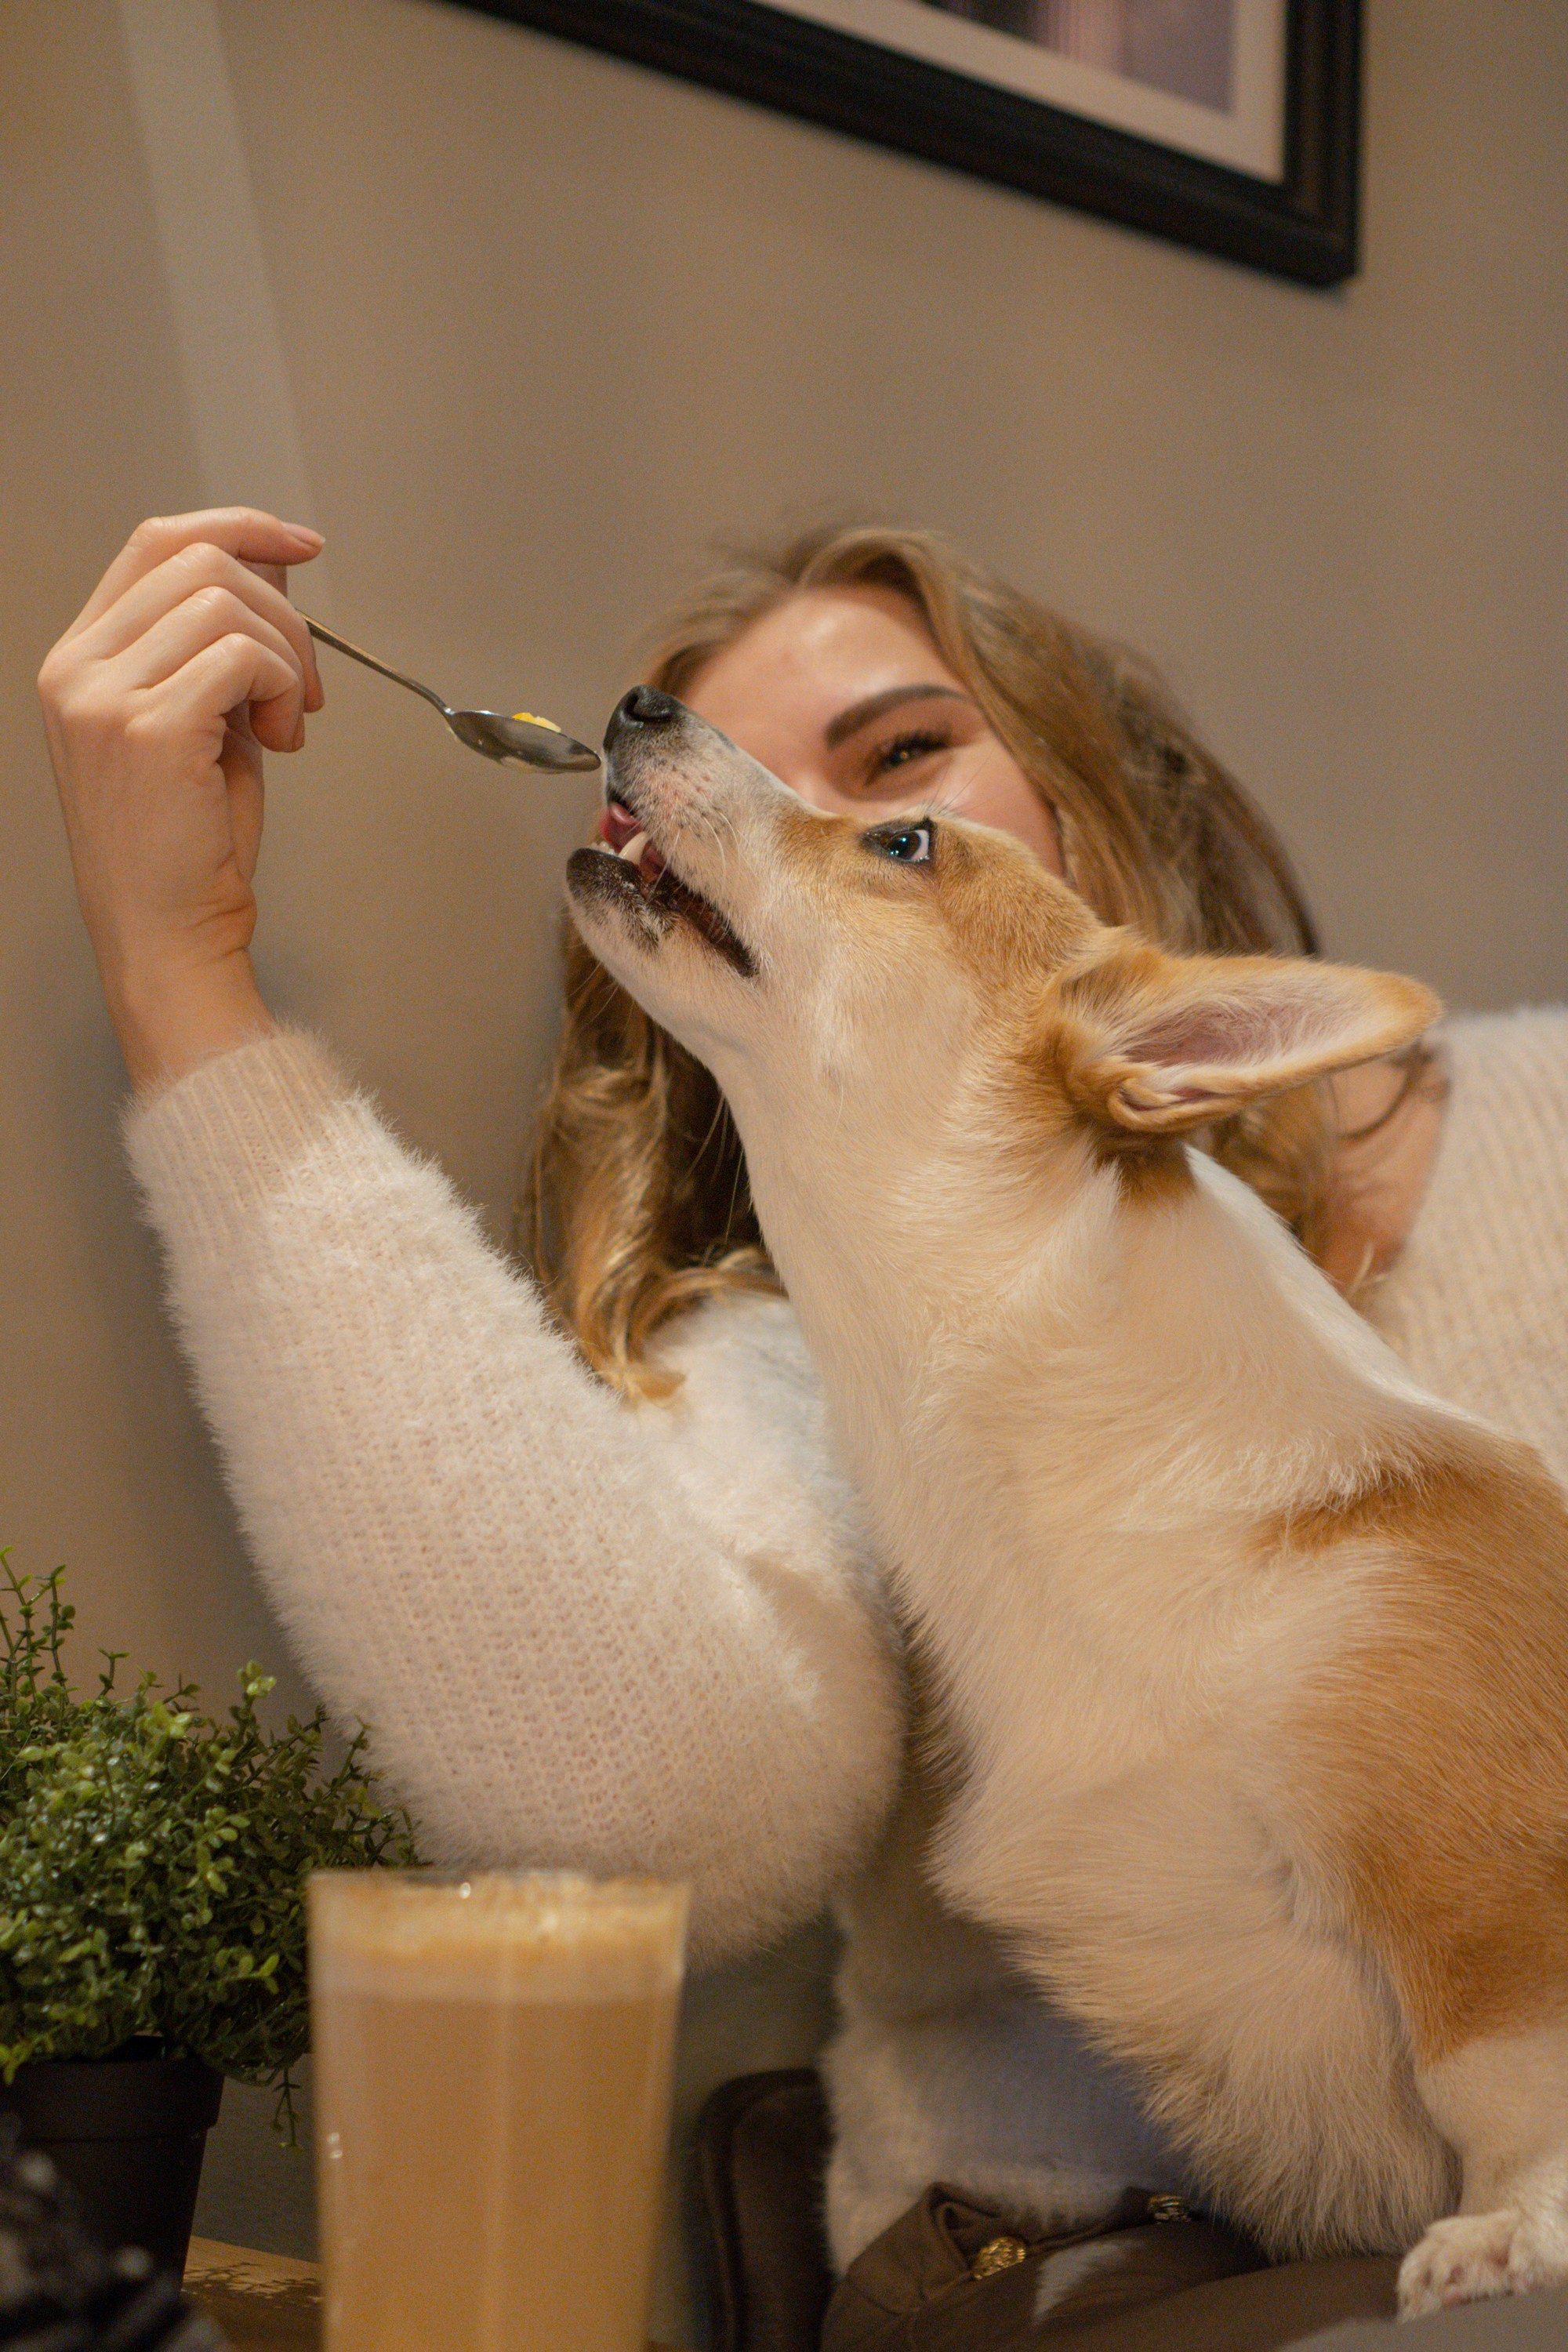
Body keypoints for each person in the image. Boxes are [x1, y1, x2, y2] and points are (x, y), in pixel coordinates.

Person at [40, 510, 1568, 2349]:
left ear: (1088, 807)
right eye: (748, 778)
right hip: (1084, 2263)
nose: (774, 808)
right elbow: (623, 1795)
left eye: (900, 784)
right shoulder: (816, 1357)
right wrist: (181, 971)